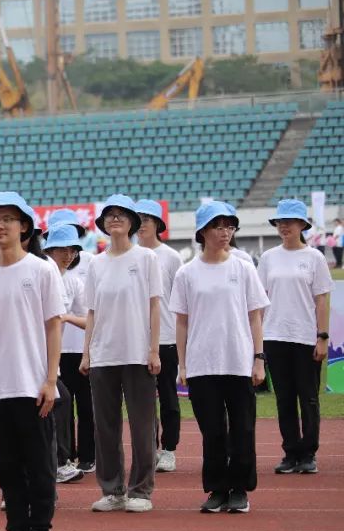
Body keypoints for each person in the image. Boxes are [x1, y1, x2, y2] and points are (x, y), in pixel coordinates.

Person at [0, 192, 64, 531]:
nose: (0, 226)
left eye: (8, 219)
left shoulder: (42, 270)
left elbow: (53, 326)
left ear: (24, 226)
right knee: (7, 466)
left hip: (32, 384)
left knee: (38, 463)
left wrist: (51, 379)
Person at [172, 201, 269, 513]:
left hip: (238, 360)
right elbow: (182, 321)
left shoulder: (243, 268)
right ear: (203, 231)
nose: (225, 232)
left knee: (242, 428)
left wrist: (258, 358)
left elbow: (255, 316)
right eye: (218, 226)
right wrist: (183, 364)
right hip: (202, 364)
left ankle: (239, 488)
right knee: (212, 431)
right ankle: (216, 488)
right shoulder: (187, 273)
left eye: (230, 226)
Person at [80, 194, 162, 514]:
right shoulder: (96, 263)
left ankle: (141, 489)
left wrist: (154, 349)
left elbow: (155, 306)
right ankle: (112, 489)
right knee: (106, 427)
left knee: (142, 425)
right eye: (109, 215)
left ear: (131, 223)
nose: (115, 219)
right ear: (102, 223)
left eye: (121, 215)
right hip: (104, 355)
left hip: (138, 353)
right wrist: (87, 352)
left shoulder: (146, 259)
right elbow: (91, 312)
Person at [259, 199, 333, 475]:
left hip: (305, 337)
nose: (284, 226)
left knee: (309, 397)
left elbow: (322, 299)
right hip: (275, 336)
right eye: (280, 221)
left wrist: (322, 336)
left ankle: (308, 453)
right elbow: (261, 299)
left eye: (289, 221)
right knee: (284, 398)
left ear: (302, 225)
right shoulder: (268, 258)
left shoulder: (314, 257)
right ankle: (290, 452)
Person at [134, 199, 184, 474]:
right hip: (136, 339)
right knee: (142, 400)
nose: (141, 225)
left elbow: (180, 302)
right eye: (138, 219)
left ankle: (169, 449)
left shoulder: (171, 257)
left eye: (147, 219)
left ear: (158, 225)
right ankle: (148, 449)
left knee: (168, 397)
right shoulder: (129, 255)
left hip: (165, 337)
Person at [46, 209, 95, 474]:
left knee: (64, 402)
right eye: (62, 249)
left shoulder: (73, 280)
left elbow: (90, 318)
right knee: (56, 403)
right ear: (49, 249)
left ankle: (60, 462)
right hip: (36, 355)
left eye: (73, 250)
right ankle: (57, 462)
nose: (69, 255)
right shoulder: (39, 272)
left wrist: (65, 317)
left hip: (60, 355)